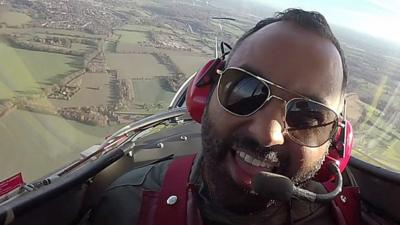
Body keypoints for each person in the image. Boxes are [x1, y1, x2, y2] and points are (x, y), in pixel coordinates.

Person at [90, 8, 360, 225]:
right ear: (205, 93)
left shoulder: (347, 217)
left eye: (308, 116)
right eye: (246, 90)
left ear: (334, 144)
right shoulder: (128, 206)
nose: (267, 134)